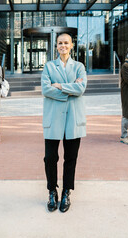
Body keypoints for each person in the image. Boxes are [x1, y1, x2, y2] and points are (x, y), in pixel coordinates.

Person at [41, 33, 87, 213]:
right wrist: (70, 88)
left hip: (73, 118)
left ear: (72, 45)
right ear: (56, 46)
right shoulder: (49, 66)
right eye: (60, 43)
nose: (63, 46)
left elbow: (81, 88)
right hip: (53, 118)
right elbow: (46, 89)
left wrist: (59, 85)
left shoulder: (79, 67)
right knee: (50, 158)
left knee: (71, 158)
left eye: (66, 43)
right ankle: (52, 191)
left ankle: (67, 191)